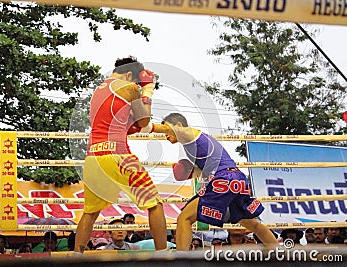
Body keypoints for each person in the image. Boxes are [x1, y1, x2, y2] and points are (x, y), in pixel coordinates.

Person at [74, 56, 167, 252]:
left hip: (93, 157)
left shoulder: (99, 90)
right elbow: (143, 121)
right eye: (136, 82)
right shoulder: (129, 88)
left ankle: (77, 255)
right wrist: (147, 90)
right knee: (155, 204)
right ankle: (162, 255)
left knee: (90, 212)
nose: (136, 86)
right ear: (129, 74)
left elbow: (124, 121)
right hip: (117, 156)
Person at [151, 113, 279, 250]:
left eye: (166, 129)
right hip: (238, 179)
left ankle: (182, 260)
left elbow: (217, 172)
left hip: (223, 179)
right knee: (253, 224)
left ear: (178, 125)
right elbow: (208, 171)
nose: (165, 134)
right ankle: (280, 253)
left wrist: (147, 126)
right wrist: (191, 173)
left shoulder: (190, 134)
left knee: (184, 218)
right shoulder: (195, 145)